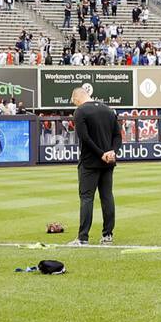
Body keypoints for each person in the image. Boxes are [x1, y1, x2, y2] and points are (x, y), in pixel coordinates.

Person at [67, 85, 121, 246]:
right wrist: (112, 152)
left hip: (90, 162)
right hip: (108, 162)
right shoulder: (108, 110)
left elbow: (85, 138)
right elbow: (117, 136)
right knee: (107, 197)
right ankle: (108, 235)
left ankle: (83, 237)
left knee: (86, 198)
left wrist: (101, 154)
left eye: (74, 102)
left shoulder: (80, 111)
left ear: (77, 98)